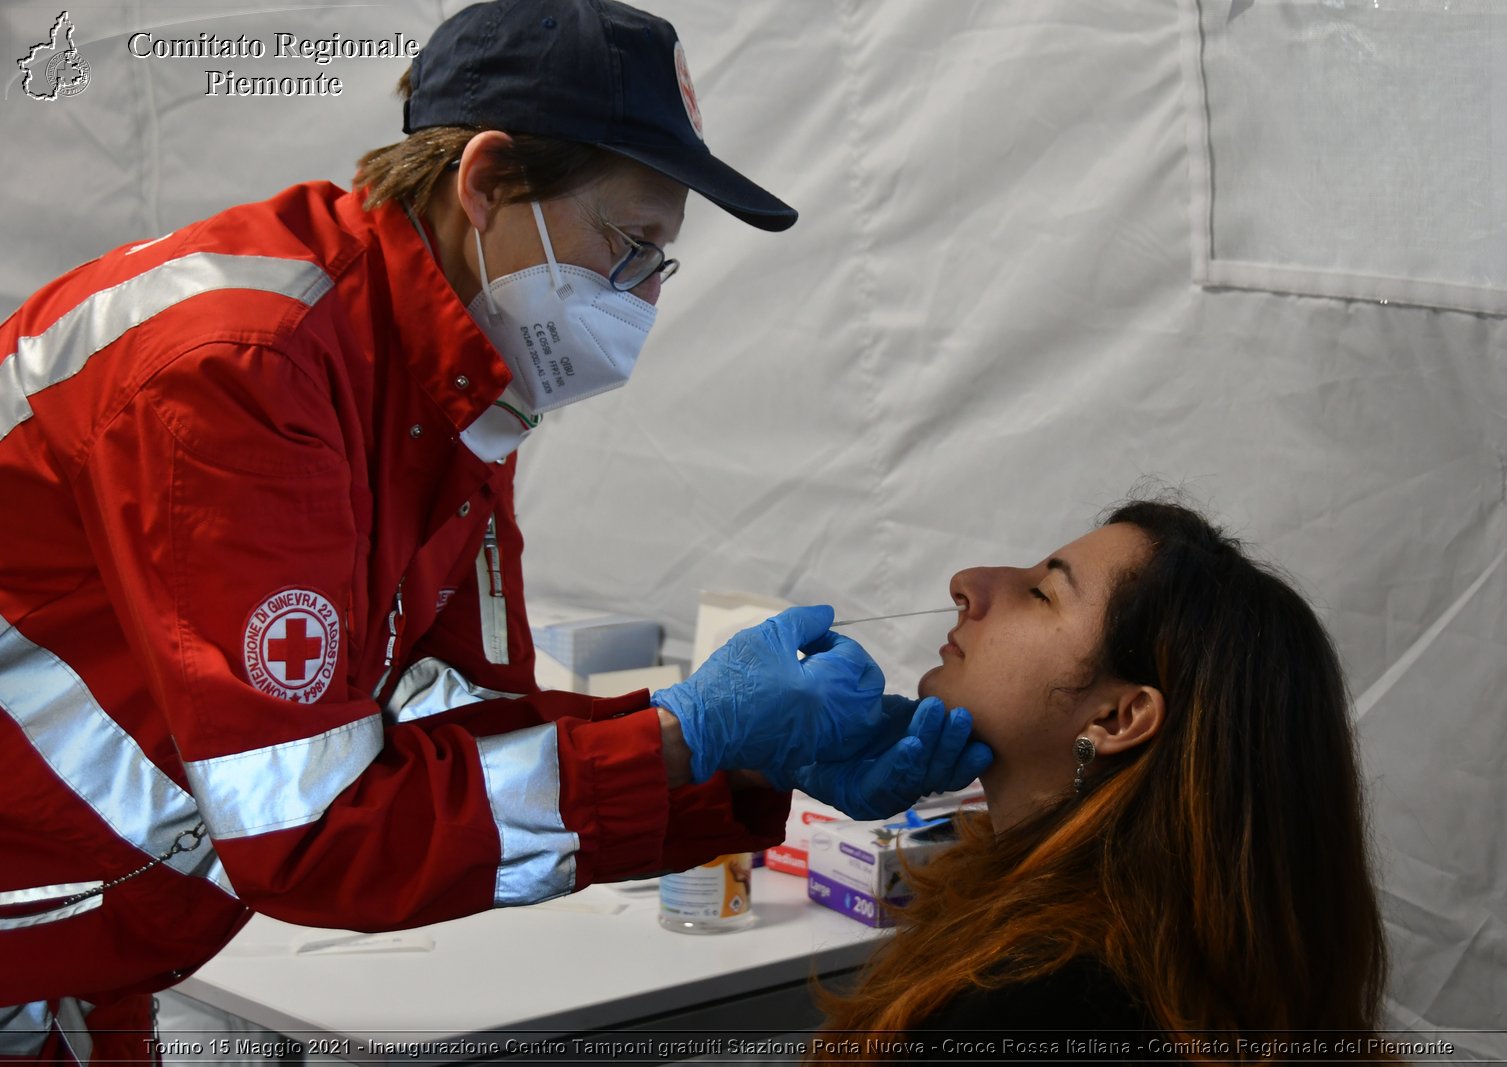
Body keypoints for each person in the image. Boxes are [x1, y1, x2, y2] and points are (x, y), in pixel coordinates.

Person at [0, 0, 988, 1058]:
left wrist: (742, 764)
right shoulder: (246, 367)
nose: (645, 296)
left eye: (662, 261)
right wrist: (685, 732)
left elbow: (447, 705)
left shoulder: (438, 383)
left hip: (80, 953)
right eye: (630, 243)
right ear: (485, 180)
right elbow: (314, 832)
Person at [811, 497, 1390, 1064]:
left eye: (1042, 593)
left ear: (1117, 717)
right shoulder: (1104, 951)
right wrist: (740, 776)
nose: (968, 582)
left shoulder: (1041, 1011)